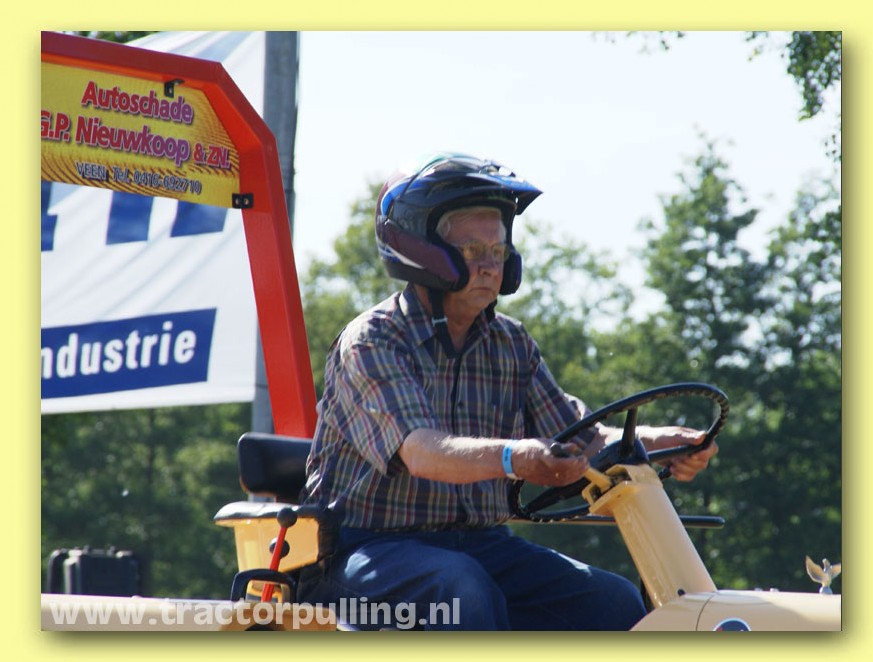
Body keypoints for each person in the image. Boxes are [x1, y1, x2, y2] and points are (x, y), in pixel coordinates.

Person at [296, 153, 717, 630]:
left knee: (612, 601)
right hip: (360, 552)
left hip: (481, 545)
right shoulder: (374, 340)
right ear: (422, 252)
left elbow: (581, 438)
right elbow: (422, 451)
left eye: (497, 251)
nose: (491, 266)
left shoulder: (510, 343)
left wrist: (666, 442)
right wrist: (516, 457)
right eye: (473, 250)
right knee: (461, 590)